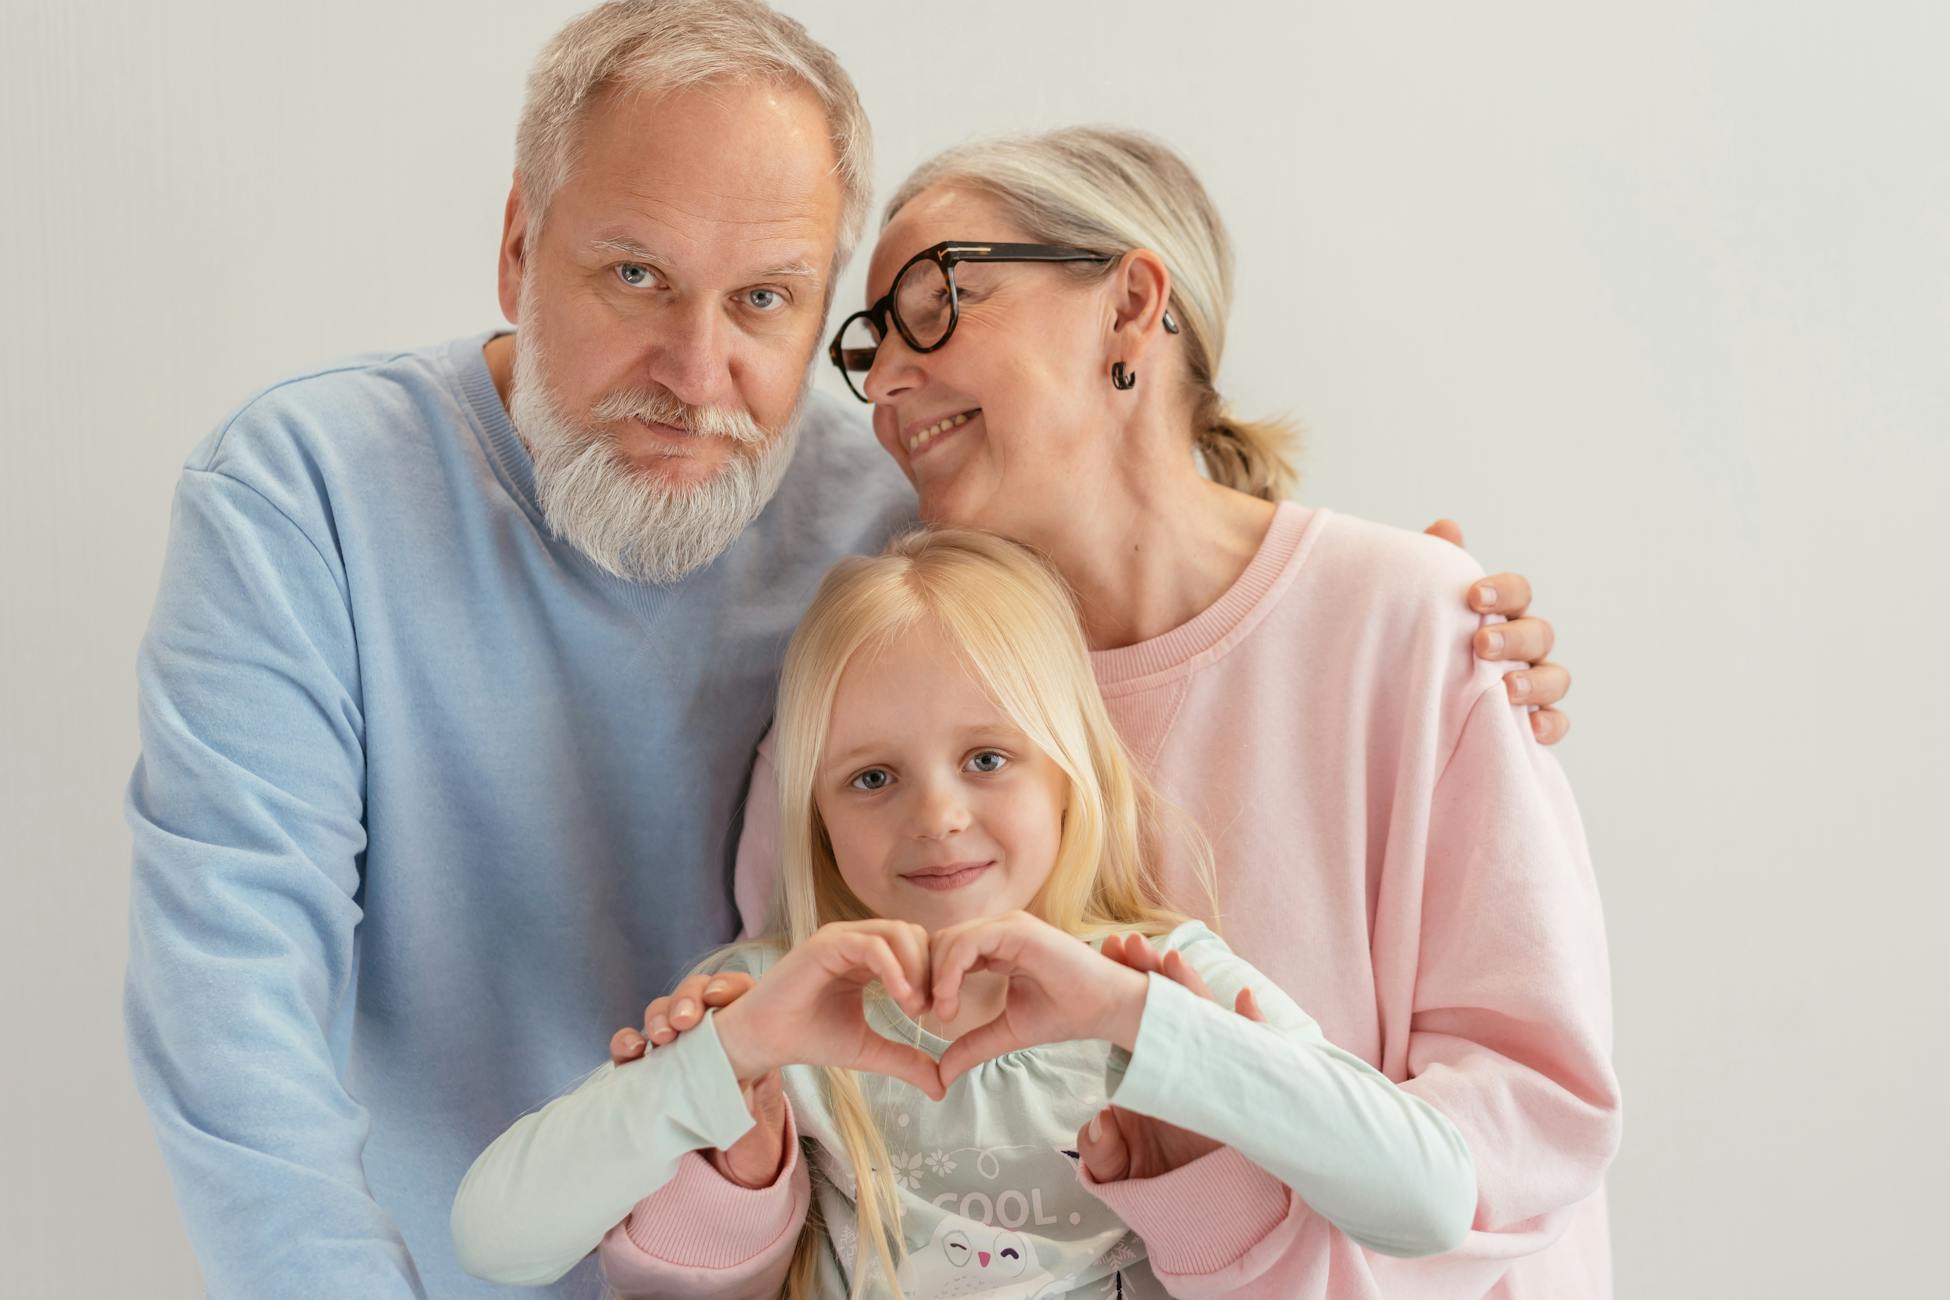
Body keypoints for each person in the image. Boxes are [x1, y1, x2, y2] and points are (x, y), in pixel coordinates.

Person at [122, 3, 1572, 1296]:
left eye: (767, 301)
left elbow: (1136, 592)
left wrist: (1427, 620)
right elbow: (232, 1022)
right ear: (518, 245)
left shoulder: (888, 513)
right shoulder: (302, 498)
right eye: (633, 275)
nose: (699, 375)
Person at [623, 125, 1618, 1300]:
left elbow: (1529, 1115)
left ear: (1132, 305)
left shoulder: (1416, 623)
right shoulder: (861, 707)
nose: (886, 381)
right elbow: (814, 1166)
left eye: (938, 301)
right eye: (872, 340)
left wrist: (1247, 1232)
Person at [452, 527, 1481, 1299]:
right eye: (871, 777)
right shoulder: (772, 1003)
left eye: (988, 758)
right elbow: (498, 1238)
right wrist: (722, 1061)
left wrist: (1148, 1026)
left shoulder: (1161, 981)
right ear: (813, 809)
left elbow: (1430, 1202)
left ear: (1070, 776)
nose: (937, 816)